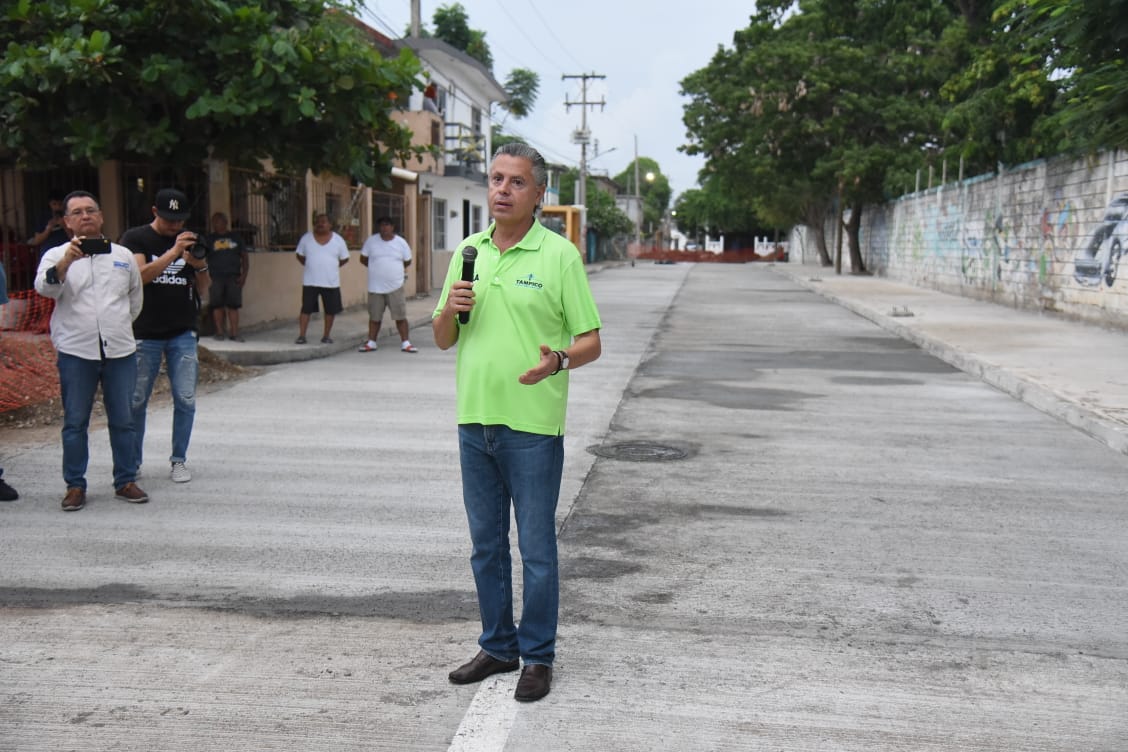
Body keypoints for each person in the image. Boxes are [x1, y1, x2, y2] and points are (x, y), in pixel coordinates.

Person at [433, 142, 603, 703]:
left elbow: (591, 341)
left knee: (535, 549)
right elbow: (443, 338)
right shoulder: (469, 252)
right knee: (485, 546)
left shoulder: (560, 256)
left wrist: (558, 361)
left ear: (538, 194)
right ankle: (498, 646)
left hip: (532, 427)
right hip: (473, 421)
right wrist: (451, 308)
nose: (502, 190)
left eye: (517, 182)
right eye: (496, 179)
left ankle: (538, 656)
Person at [34, 190, 147, 511]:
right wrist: (67, 262)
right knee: (75, 422)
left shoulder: (123, 255)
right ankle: (75, 485)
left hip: (119, 351)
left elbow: (134, 300)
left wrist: (116, 326)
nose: (85, 216)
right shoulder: (56, 254)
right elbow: (44, 288)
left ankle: (125, 480)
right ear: (67, 222)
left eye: (90, 210)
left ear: (101, 216)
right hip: (76, 352)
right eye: (77, 212)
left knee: (123, 420)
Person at [119, 188, 210, 484]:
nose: (176, 225)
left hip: (182, 331)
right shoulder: (135, 238)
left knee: (185, 399)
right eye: (170, 219)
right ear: (155, 212)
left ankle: (179, 460)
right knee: (136, 401)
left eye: (180, 220)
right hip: (145, 332)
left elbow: (204, 288)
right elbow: (139, 277)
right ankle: (132, 463)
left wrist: (199, 265)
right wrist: (173, 252)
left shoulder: (191, 241)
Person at [358, 216, 417, 353]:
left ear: (392, 227)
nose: (384, 228)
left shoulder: (401, 243)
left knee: (400, 316)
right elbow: (363, 259)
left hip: (395, 286)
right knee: (374, 316)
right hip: (375, 287)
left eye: (387, 225)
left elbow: (407, 261)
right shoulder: (371, 242)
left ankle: (406, 343)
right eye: (382, 225)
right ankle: (371, 342)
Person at [295, 212, 349, 345]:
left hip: (330, 282)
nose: (320, 224)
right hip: (310, 281)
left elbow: (344, 258)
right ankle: (302, 336)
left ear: (330, 225)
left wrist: (332, 266)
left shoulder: (338, 240)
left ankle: (326, 336)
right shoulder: (306, 238)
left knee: (330, 310)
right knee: (306, 309)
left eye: (323, 221)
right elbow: (300, 255)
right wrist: (310, 265)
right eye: (317, 222)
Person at [202, 211, 249, 341]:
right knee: (217, 305)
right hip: (215, 277)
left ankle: (234, 333)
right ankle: (219, 333)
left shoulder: (236, 238)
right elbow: (201, 258)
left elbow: (245, 257)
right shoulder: (209, 239)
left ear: (225, 222)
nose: (216, 224)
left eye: (218, 221)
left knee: (233, 306)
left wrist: (244, 275)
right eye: (214, 222)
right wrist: (206, 275)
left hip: (233, 276)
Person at [30, 190, 70, 256]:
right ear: (49, 204)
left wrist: (65, 226)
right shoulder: (44, 217)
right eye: (54, 204)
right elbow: (36, 241)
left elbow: (76, 239)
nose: (57, 207)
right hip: (48, 254)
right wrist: (48, 229)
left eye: (60, 204)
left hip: (66, 253)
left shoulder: (69, 216)